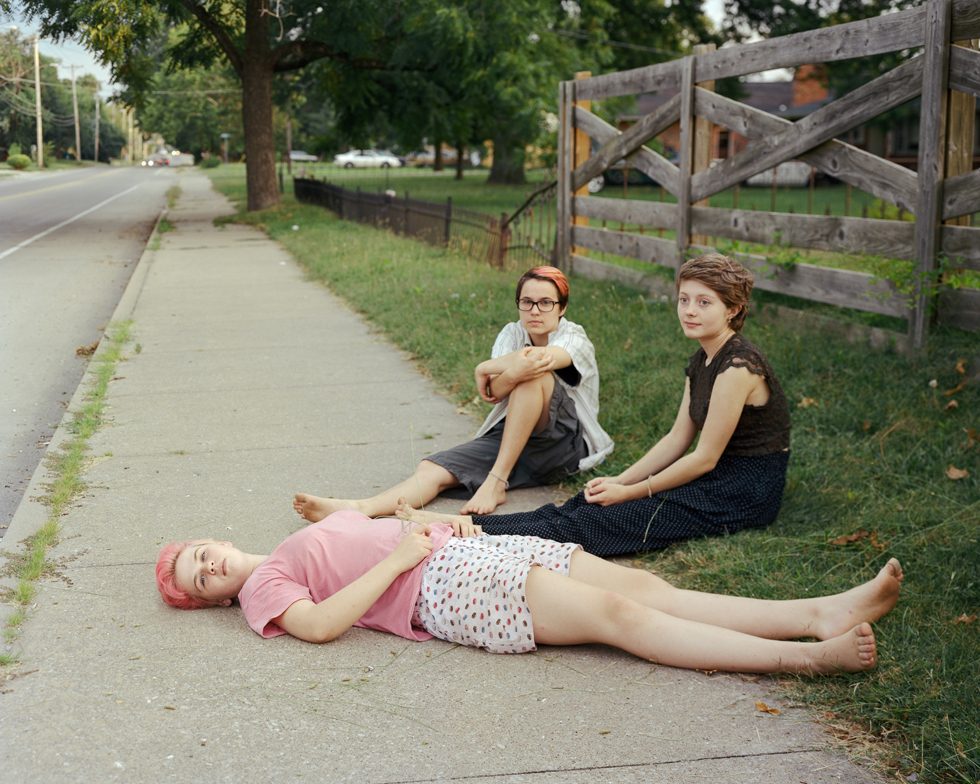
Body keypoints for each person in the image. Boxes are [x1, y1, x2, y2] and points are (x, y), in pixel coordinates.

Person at [155, 511, 903, 675]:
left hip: (467, 550)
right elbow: (319, 626)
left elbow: (377, 532)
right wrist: (404, 557)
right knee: (620, 616)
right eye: (199, 581)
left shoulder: (287, 540)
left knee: (643, 584)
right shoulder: (263, 592)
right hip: (443, 587)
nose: (208, 568)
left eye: (201, 555)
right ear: (213, 600)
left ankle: (816, 612)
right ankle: (807, 660)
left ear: (214, 535)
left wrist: (427, 522)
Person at [396, 253, 792, 557]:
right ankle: (463, 525)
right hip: (717, 476)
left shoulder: (738, 366)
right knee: (589, 499)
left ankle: (472, 534)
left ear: (733, 309)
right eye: (684, 299)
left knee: (611, 519)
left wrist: (632, 492)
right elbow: (675, 440)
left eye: (705, 303)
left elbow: (703, 458)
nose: (689, 310)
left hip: (744, 490)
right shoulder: (702, 360)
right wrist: (621, 481)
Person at [293, 266, 613, 518]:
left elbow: (538, 362)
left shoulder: (575, 337)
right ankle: (361, 509)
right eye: (526, 302)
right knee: (433, 469)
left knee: (533, 377)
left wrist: (490, 369)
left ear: (562, 307)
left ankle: (496, 482)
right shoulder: (512, 334)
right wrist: (499, 373)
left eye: (546, 303)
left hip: (565, 446)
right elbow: (496, 392)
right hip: (515, 439)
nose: (535, 310)